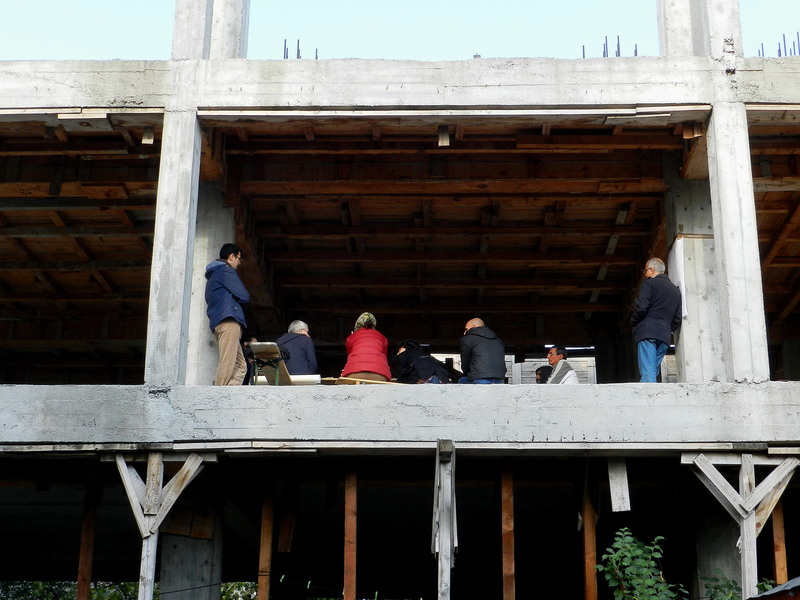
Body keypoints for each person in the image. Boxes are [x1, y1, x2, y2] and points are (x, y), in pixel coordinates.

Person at [205, 243, 250, 386]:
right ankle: (218, 395)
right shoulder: (225, 271)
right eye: (239, 258)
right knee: (228, 362)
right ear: (232, 257)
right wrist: (238, 309)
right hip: (229, 320)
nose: (239, 263)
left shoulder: (213, 276)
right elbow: (244, 296)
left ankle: (227, 394)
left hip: (219, 321)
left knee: (241, 366)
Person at [632, 257, 682, 383]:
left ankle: (647, 396)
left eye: (646, 271)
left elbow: (642, 307)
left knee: (648, 375)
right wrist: (667, 329)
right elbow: (677, 317)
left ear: (652, 270)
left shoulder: (650, 283)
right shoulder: (675, 291)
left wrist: (634, 322)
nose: (645, 275)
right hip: (664, 337)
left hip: (647, 333)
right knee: (652, 372)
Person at [340, 312, 392, 382]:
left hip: (353, 373)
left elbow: (350, 356)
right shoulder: (382, 338)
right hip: (379, 374)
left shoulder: (351, 337)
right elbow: (384, 357)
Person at [458, 318, 506, 384]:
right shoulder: (498, 341)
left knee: (461, 380)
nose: (464, 332)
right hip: (499, 379)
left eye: (466, 329)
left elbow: (465, 362)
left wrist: (469, 374)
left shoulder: (467, 339)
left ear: (474, 326)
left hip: (478, 378)